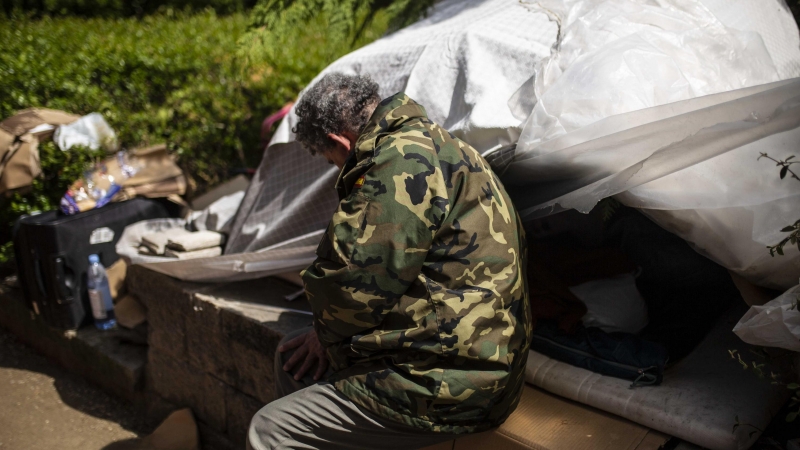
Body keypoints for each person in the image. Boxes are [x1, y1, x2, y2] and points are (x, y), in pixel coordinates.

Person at [248, 73, 531, 450]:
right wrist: (327, 333)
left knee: (270, 431)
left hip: (447, 381)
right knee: (296, 362)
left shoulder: (396, 163)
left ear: (338, 141)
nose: (337, 169)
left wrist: (328, 327)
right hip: (476, 363)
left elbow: (353, 288)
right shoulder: (443, 144)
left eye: (333, 161)